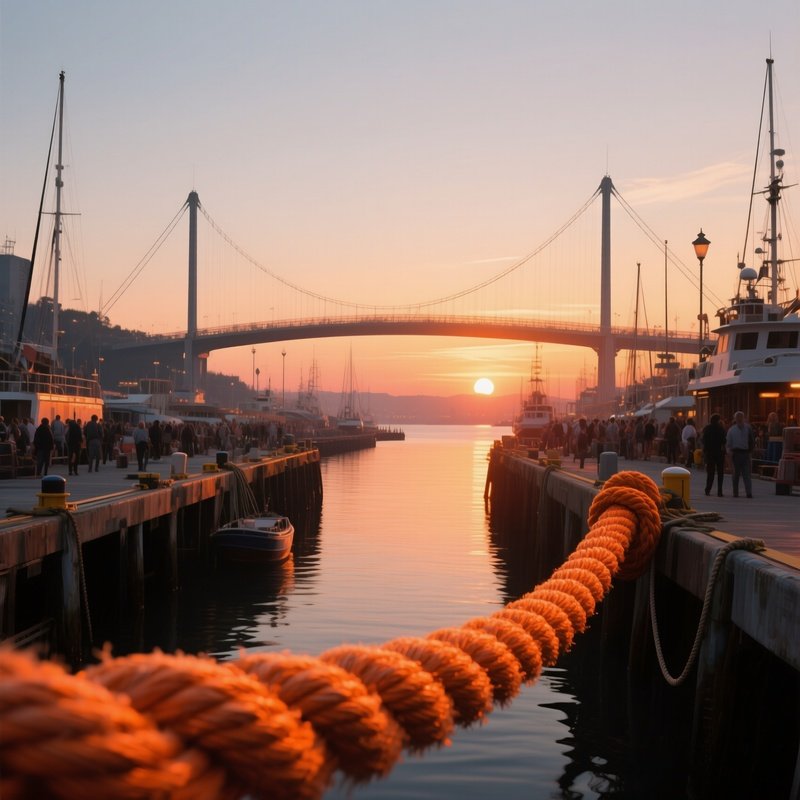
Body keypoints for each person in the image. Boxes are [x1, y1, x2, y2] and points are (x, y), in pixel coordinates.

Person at [725, 411, 755, 498]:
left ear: (743, 418)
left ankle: (748, 492)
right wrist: (729, 453)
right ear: (735, 419)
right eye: (738, 418)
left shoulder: (748, 428)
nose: (739, 419)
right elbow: (728, 443)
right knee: (735, 474)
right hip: (736, 453)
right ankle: (735, 492)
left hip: (745, 453)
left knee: (747, 474)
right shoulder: (731, 430)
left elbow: (751, 440)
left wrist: (750, 451)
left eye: (741, 417)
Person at [702, 414, 726, 496]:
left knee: (710, 472)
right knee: (720, 472)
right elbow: (724, 441)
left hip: (710, 453)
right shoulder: (721, 429)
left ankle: (707, 489)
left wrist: (705, 451)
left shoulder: (707, 428)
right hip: (719, 452)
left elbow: (703, 440)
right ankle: (720, 491)